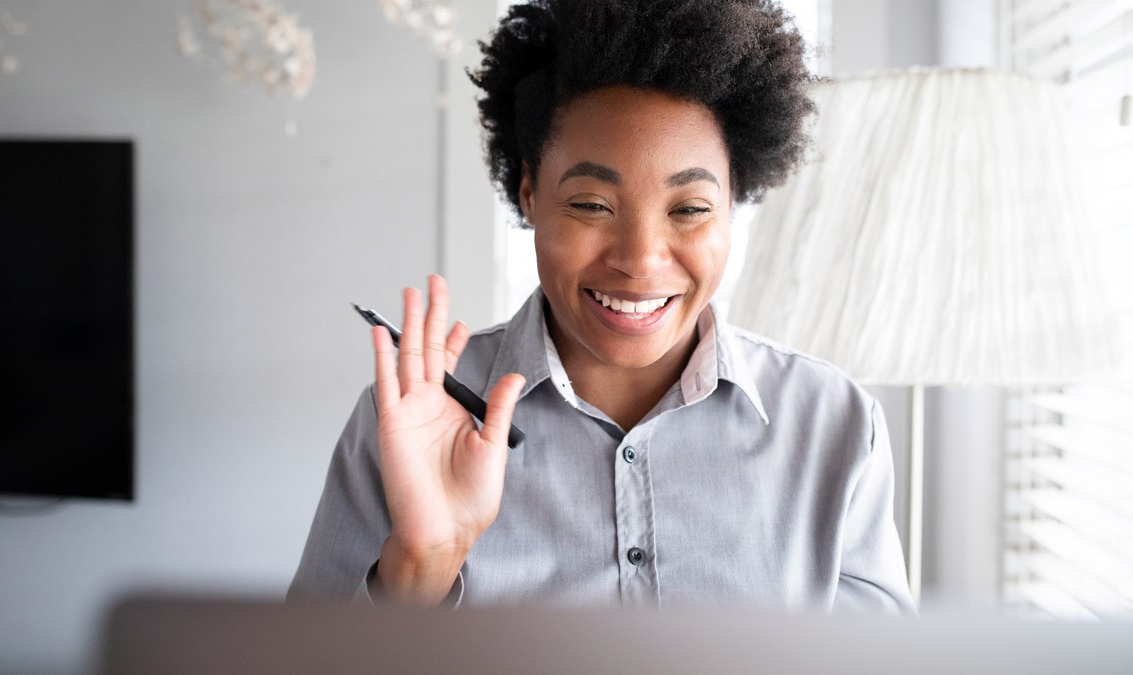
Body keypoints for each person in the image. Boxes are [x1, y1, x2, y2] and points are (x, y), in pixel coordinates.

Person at [290, 0, 914, 614]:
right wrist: (420, 568)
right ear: (529, 192)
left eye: (690, 209)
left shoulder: (834, 425)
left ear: (733, 204)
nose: (640, 260)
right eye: (591, 205)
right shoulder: (411, 419)